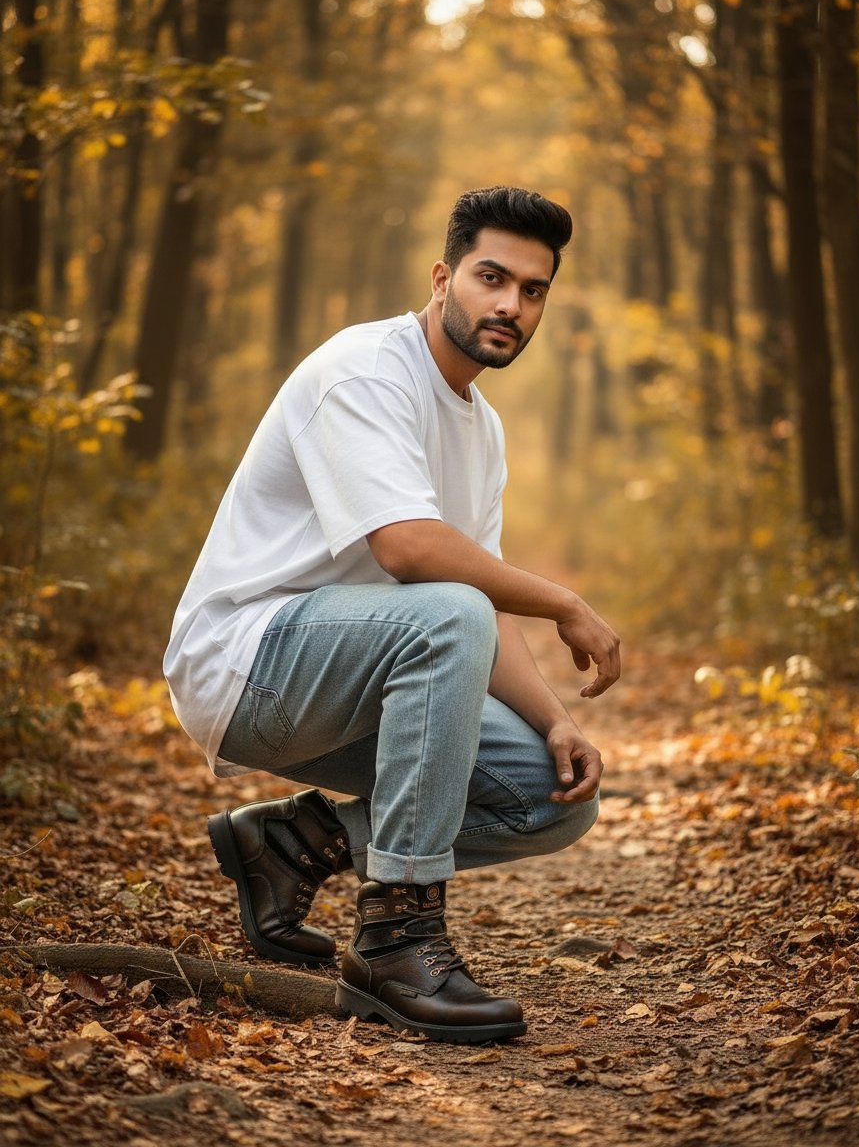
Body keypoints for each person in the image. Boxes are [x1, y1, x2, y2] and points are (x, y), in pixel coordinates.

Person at [163, 186, 621, 1045]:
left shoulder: (481, 430)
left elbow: (475, 600)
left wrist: (555, 719)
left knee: (554, 797)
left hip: (357, 676)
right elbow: (413, 557)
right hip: (248, 661)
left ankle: (295, 842)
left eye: (533, 291)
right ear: (444, 278)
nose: (511, 305)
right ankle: (397, 936)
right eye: (493, 277)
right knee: (442, 609)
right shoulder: (365, 368)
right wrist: (564, 601)